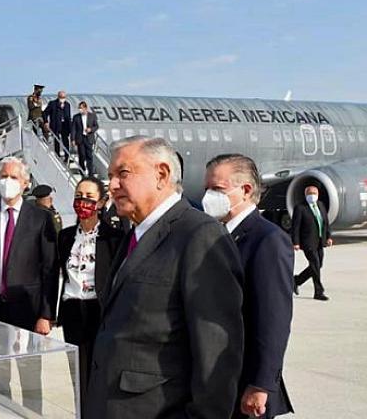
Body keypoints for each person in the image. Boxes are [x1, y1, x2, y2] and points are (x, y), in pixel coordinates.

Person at [87, 136, 243, 418]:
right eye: (110, 176)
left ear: (161, 174)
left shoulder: (199, 235)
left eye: (123, 173)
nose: (111, 185)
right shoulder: (134, 234)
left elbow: (217, 355)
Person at [203, 154, 294, 418]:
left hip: (244, 383)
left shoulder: (267, 240)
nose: (209, 196)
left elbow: (273, 320)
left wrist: (261, 384)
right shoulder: (213, 235)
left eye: (217, 189)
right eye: (206, 189)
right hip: (214, 380)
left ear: (246, 190)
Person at [0, 157, 58, 414]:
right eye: (2, 177)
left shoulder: (40, 218)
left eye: (13, 177)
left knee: (29, 379)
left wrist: (46, 315)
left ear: (26, 183)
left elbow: (49, 270)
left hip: (28, 313)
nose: (6, 182)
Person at [56, 176, 121, 409]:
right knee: (78, 375)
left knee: (100, 373)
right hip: (73, 308)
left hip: (99, 310)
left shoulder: (113, 238)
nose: (82, 202)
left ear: (101, 202)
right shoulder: (65, 237)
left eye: (89, 198)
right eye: (78, 197)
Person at [291, 185, 332, 300]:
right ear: (305, 195)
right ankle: (318, 292)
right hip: (307, 241)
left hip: (320, 240)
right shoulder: (300, 208)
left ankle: (297, 280)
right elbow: (295, 226)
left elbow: (325, 223)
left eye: (314, 193)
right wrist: (296, 242)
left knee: (319, 265)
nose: (312, 195)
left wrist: (328, 237)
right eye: (310, 193)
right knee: (315, 264)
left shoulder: (321, 205)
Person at [43, 90, 73, 159]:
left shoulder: (67, 105)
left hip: (65, 125)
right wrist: (46, 122)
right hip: (56, 125)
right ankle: (57, 155)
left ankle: (67, 156)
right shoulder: (52, 104)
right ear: (58, 96)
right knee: (57, 140)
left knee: (65, 140)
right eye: (61, 97)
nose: (63, 98)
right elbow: (45, 113)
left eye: (64, 97)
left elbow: (68, 116)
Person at [72, 100, 99, 176]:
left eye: (81, 108)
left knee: (89, 156)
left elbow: (96, 126)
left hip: (89, 138)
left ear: (85, 108)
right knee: (82, 155)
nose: (80, 109)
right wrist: (73, 139)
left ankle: (90, 173)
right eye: (79, 108)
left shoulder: (92, 116)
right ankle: (82, 171)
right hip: (80, 139)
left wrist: (91, 129)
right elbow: (73, 129)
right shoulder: (76, 117)